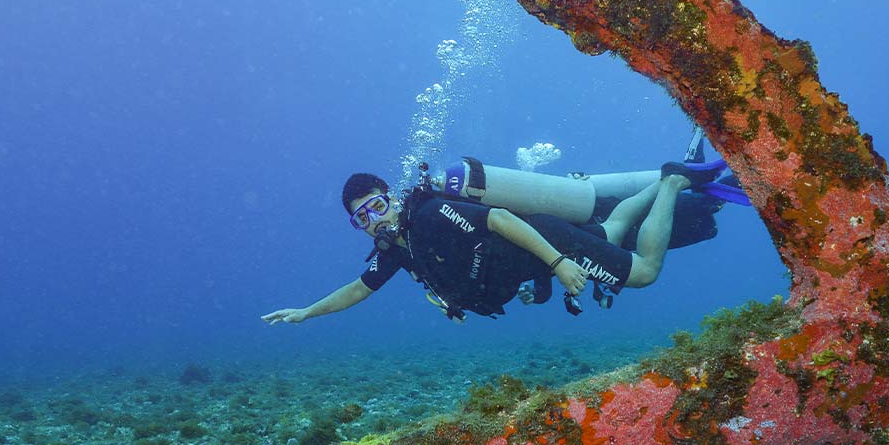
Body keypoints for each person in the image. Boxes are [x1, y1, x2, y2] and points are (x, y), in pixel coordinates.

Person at [261, 145, 747, 325]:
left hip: (547, 243)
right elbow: (356, 289)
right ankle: (665, 180)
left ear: (391, 197)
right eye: (360, 218)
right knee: (611, 229)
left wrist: (558, 263)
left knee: (642, 273)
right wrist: (307, 312)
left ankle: (678, 181)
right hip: (541, 255)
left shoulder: (427, 217)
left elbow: (498, 220)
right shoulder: (397, 249)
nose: (373, 221)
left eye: (375, 206)